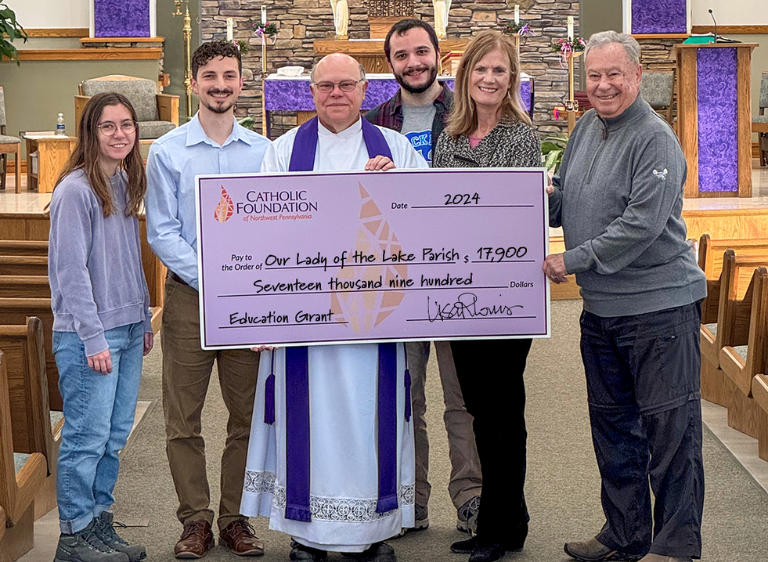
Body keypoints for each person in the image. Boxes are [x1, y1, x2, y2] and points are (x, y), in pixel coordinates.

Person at [240, 53, 427, 562]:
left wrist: (395, 194)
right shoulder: (282, 153)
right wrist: (261, 311)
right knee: (311, 423)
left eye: (347, 84)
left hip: (373, 321)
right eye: (326, 85)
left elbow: (429, 223)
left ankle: (370, 532)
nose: (336, 93)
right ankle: (307, 536)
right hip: (306, 326)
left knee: (373, 417)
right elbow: (257, 235)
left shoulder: (396, 150)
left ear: (365, 90)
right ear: (311, 92)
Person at [543, 31, 706, 562]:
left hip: (658, 307)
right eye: (595, 75)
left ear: (637, 76)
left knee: (670, 433)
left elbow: (641, 224)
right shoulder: (587, 125)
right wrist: (529, 200)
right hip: (603, 311)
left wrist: (572, 259)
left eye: (615, 74)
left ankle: (675, 546)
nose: (605, 85)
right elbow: (567, 196)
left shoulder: (654, 137)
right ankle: (625, 533)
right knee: (614, 430)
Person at [145, 41, 271, 559]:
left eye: (229, 75)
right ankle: (195, 520)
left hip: (248, 301)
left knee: (247, 415)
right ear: (193, 82)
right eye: (210, 76)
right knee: (183, 417)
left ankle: (234, 519)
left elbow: (280, 225)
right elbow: (162, 232)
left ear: (242, 82)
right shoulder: (169, 151)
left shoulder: (266, 152)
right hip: (188, 299)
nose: (220, 84)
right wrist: (216, 277)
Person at [366, 18, 482, 535]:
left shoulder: (468, 112)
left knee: (463, 395)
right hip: (397, 279)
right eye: (401, 56)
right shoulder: (372, 122)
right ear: (389, 63)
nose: (413, 62)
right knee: (404, 393)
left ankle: (472, 496)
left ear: (439, 54)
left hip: (456, 275)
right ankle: (410, 499)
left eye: (421, 52)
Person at [432, 30, 540, 562]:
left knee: (503, 412)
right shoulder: (448, 135)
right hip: (456, 292)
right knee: (477, 409)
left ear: (511, 78)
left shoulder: (520, 134)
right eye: (481, 70)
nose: (489, 79)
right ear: (466, 76)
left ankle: (499, 528)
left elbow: (507, 215)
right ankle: (508, 519)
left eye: (500, 71)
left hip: (505, 294)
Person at [50, 92, 154, 562]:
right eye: (108, 126)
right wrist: (93, 336)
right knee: (85, 439)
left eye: (127, 125)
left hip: (127, 327)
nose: (120, 134)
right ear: (90, 133)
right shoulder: (76, 189)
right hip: (90, 333)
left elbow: (128, 259)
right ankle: (72, 538)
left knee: (112, 438)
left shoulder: (121, 180)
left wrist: (144, 314)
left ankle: (98, 526)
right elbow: (70, 272)